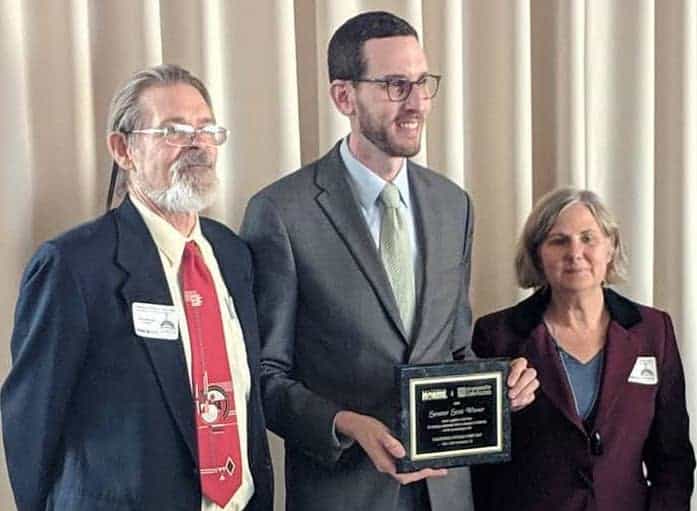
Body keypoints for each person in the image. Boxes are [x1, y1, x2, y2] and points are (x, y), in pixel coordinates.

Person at [241, 11, 537, 511]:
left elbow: (454, 350)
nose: (417, 102)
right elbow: (264, 376)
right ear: (344, 97)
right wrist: (347, 424)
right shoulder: (279, 213)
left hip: (445, 495)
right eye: (396, 85)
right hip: (342, 494)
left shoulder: (453, 205)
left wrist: (499, 387)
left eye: (423, 83)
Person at [1, 65, 273, 511]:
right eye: (173, 130)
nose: (197, 143)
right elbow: (31, 424)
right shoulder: (73, 266)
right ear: (122, 149)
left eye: (206, 129)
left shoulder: (231, 254)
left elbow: (247, 398)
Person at [471, 188, 695, 510]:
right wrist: (501, 410)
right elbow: (478, 457)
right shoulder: (497, 335)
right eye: (558, 240)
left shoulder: (652, 331)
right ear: (537, 255)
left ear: (611, 247)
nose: (575, 252)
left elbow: (672, 456)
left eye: (588, 238)